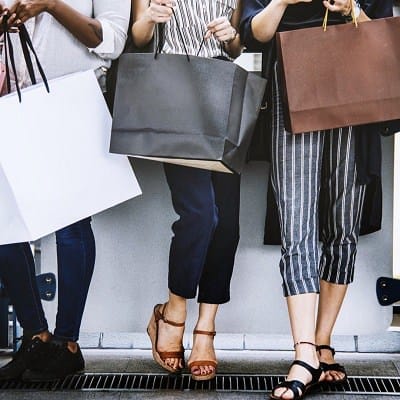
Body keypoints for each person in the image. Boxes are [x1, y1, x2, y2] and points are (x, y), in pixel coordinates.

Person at [240, 0, 384, 399]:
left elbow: (386, 31)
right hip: (293, 81)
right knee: (296, 218)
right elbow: (253, 31)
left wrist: (352, 7)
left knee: (343, 223)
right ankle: (303, 351)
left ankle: (322, 341)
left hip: (356, 87)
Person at [0, 0, 129, 381]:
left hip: (73, 100)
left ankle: (67, 343)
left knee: (71, 226)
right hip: (14, 102)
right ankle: (36, 336)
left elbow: (112, 41)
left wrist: (50, 6)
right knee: (7, 225)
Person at [131, 0, 243, 381]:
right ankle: (173, 310)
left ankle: (205, 330)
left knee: (226, 222)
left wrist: (231, 37)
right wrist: (148, 17)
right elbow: (139, 35)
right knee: (200, 214)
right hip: (173, 92)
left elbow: (237, 47)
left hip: (222, 93)